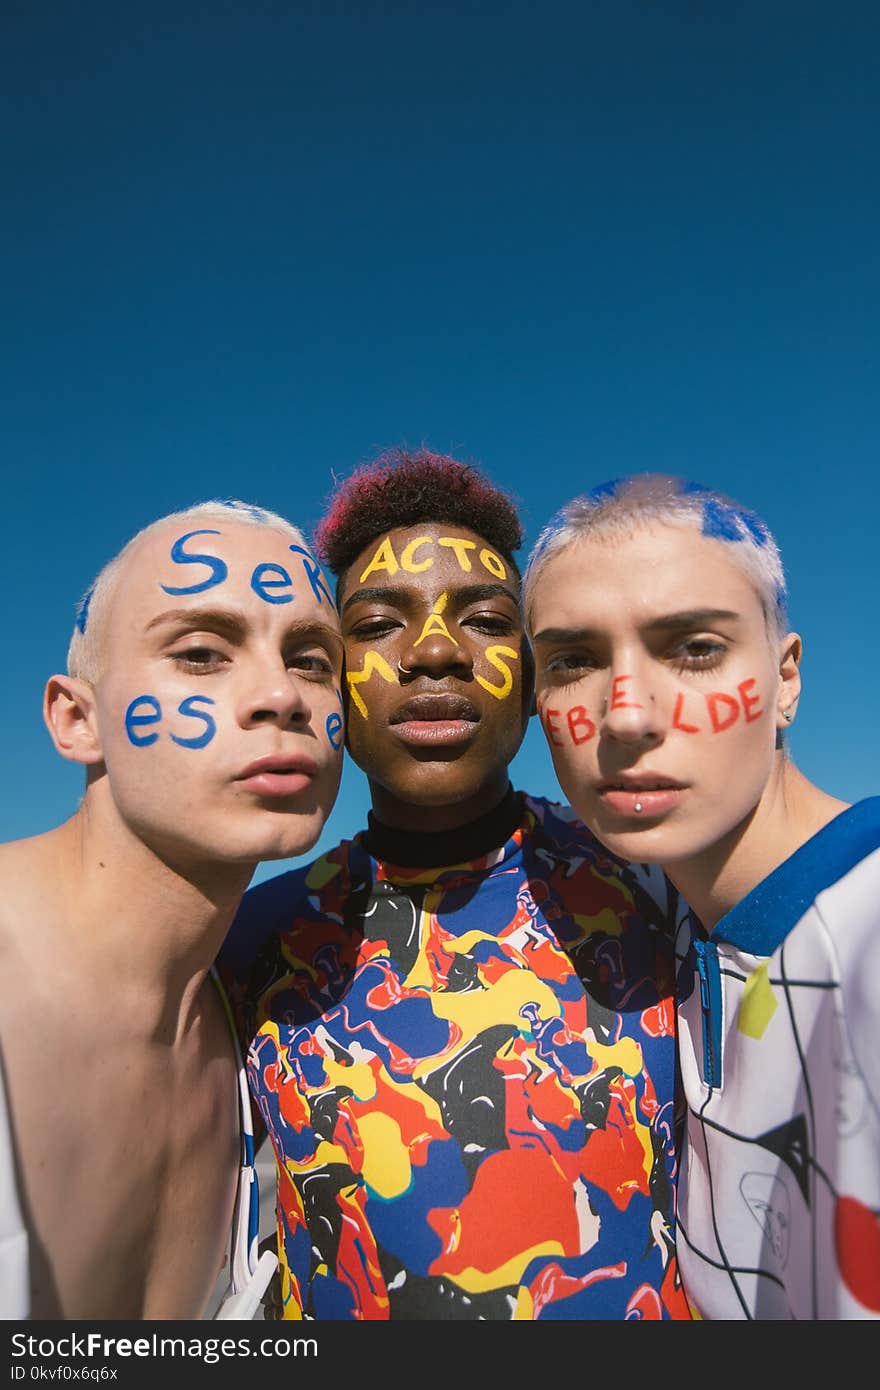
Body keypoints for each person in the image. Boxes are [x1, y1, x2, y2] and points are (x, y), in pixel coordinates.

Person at [219, 448, 692, 1321]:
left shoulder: (664, 900)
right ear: (326, 677)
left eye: (482, 617)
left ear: (536, 666)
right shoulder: (248, 946)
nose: (434, 650)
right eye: (375, 624)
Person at [522, 473, 880, 1320]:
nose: (627, 715)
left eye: (693, 648)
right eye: (573, 660)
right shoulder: (658, 906)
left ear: (786, 679)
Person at [0, 498, 344, 1320]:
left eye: (310, 658)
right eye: (199, 653)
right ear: (76, 719)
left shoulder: (259, 1030)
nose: (279, 695)